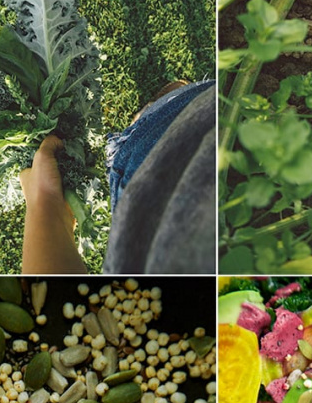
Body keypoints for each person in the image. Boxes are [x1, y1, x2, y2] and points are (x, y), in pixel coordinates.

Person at [20, 79, 215, 274]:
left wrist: (46, 203)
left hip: (151, 180)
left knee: (168, 126)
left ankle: (152, 116)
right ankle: (158, 113)